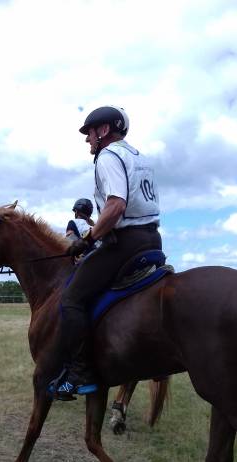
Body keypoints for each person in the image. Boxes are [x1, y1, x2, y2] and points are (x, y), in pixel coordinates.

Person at [49, 105, 162, 400]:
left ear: (103, 131)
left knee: (71, 297)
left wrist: (88, 238)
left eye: (89, 133)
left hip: (125, 243)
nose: (87, 139)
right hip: (152, 239)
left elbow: (115, 206)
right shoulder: (138, 157)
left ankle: (80, 373)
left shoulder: (108, 157)